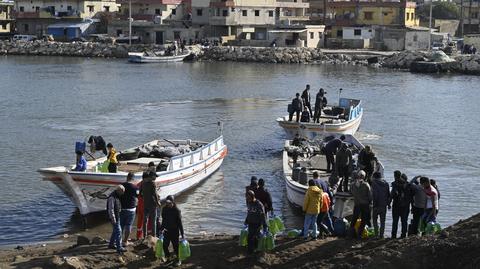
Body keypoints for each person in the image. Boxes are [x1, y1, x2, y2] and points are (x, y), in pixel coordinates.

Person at [160, 195, 184, 266]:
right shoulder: (164, 209)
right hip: (167, 231)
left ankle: (178, 259)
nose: (168, 204)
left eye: (169, 203)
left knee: (175, 246)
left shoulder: (177, 210)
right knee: (164, 245)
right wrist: (161, 229)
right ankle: (168, 258)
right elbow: (164, 220)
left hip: (174, 231)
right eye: (167, 203)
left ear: (173, 202)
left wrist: (182, 234)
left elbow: (180, 223)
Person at [349, 170, 372, 239]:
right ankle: (359, 235)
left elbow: (352, 193)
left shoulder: (353, 184)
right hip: (365, 204)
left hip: (357, 204)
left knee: (354, 219)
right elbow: (370, 196)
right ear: (364, 177)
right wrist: (370, 201)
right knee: (363, 220)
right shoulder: (366, 185)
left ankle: (350, 235)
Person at [244, 190, 268, 254]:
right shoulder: (249, 203)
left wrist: (265, 225)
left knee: (254, 237)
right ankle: (251, 251)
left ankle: (255, 250)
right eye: (246, 198)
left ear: (252, 197)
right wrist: (246, 220)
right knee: (250, 237)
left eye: (248, 198)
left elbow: (263, 215)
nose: (247, 199)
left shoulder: (259, 205)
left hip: (257, 223)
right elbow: (248, 212)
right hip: (250, 223)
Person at [120, 172, 139, 246]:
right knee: (128, 225)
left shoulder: (121, 185)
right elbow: (138, 196)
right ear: (133, 178)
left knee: (120, 225)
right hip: (131, 209)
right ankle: (125, 241)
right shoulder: (135, 187)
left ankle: (119, 240)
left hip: (121, 208)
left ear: (127, 177)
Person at [140, 171, 160, 238]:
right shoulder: (153, 183)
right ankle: (154, 235)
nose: (155, 178)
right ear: (152, 176)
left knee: (145, 220)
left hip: (146, 203)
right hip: (152, 204)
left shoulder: (143, 183)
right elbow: (155, 194)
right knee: (153, 220)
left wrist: (145, 197)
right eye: (155, 176)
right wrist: (158, 202)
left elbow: (140, 193)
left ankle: (144, 236)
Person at [390, 171, 411, 239]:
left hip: (396, 206)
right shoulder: (407, 184)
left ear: (395, 176)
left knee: (395, 221)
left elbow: (392, 195)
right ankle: (403, 235)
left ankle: (393, 235)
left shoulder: (395, 184)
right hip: (405, 206)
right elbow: (411, 196)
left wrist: (388, 203)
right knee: (404, 221)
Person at [107, 185, 126, 253]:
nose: (123, 193)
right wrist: (113, 219)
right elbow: (111, 209)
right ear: (118, 191)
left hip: (117, 216)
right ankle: (119, 247)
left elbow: (117, 206)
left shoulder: (116, 196)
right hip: (114, 218)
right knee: (119, 232)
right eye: (122, 192)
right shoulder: (112, 197)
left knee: (115, 231)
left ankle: (111, 244)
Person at [371, 171, 390, 238]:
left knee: (375, 220)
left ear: (375, 177)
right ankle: (381, 235)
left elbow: (375, 195)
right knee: (383, 221)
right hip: (384, 205)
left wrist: (374, 204)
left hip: (376, 205)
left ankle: (376, 235)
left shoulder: (374, 183)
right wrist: (389, 204)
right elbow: (388, 195)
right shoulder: (386, 183)